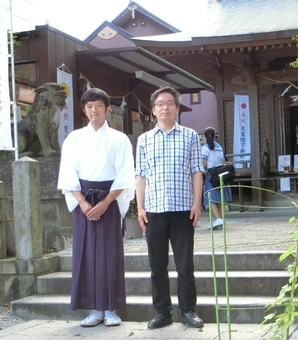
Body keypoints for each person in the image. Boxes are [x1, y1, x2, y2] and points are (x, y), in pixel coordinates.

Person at [57, 88, 135, 327]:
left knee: (110, 254)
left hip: (109, 198)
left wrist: (105, 202)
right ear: (84, 110)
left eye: (99, 106)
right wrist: (82, 202)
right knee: (86, 253)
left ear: (107, 109)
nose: (94, 110)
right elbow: (68, 174)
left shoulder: (119, 139)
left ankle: (111, 308)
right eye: (89, 106)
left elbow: (124, 176)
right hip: (83, 200)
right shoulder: (74, 138)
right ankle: (94, 308)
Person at [135, 86, 204, 329]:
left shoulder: (190, 136)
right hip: (154, 211)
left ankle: (188, 310)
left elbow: (197, 171)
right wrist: (140, 208)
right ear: (153, 110)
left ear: (176, 107)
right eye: (160, 104)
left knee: (185, 264)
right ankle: (162, 312)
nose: (165, 107)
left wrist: (197, 203)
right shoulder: (144, 140)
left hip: (183, 209)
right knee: (157, 265)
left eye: (169, 103)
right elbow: (140, 176)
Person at [202, 127, 232, 230]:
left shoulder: (205, 148)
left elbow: (205, 164)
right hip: (221, 172)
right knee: (220, 197)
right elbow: (222, 159)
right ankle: (220, 219)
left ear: (205, 136)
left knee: (210, 197)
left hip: (211, 174)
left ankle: (218, 219)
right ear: (215, 136)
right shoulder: (219, 147)